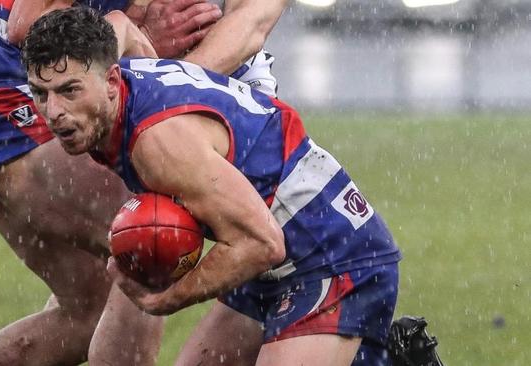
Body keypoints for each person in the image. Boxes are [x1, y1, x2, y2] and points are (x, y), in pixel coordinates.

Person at [22, 7, 402, 366]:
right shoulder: (115, 81)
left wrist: (167, 298)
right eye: (41, 93)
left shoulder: (157, 144)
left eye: (70, 91)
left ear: (111, 80)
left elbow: (263, 243)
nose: (54, 112)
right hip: (271, 263)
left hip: (332, 258)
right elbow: (119, 23)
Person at [0, 0, 287, 365]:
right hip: (5, 84)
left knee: (88, 312)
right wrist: (147, 68)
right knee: (151, 236)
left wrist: (163, 80)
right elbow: (27, 25)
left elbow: (252, 22)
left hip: (7, 87)